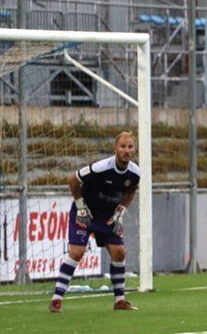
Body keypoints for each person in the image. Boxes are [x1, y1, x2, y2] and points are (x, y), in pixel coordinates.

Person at [49, 132, 140, 313]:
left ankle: (119, 300)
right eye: (123, 146)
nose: (126, 150)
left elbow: (131, 191)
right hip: (86, 213)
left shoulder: (135, 172)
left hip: (107, 216)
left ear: (134, 149)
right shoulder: (101, 167)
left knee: (119, 252)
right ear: (115, 148)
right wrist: (81, 207)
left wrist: (120, 211)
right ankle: (57, 299)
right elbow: (73, 180)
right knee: (77, 252)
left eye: (130, 147)